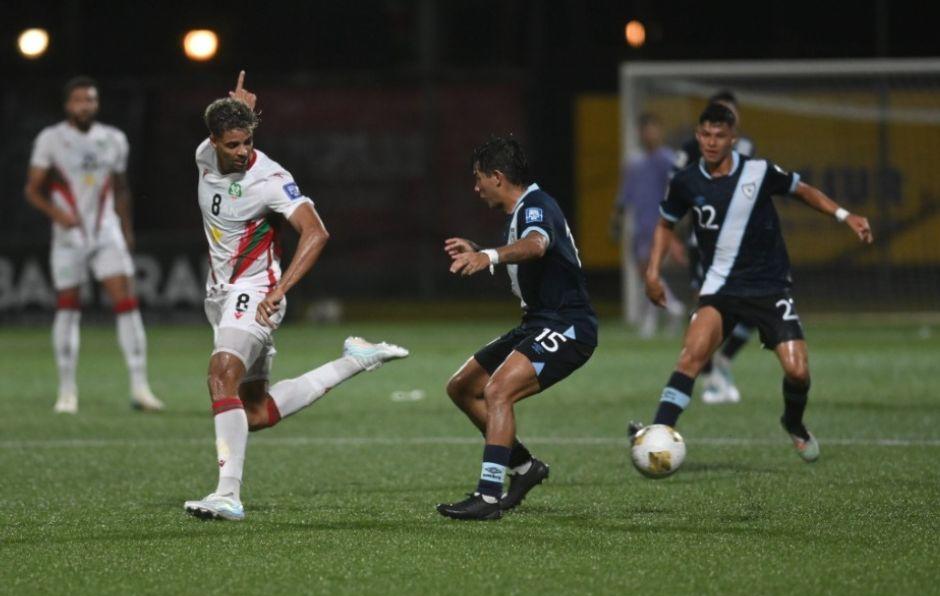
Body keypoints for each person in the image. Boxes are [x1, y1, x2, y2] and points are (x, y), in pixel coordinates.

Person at [184, 72, 408, 521]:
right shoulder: (203, 156)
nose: (243, 151)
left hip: (258, 291)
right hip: (222, 294)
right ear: (214, 141)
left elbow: (316, 232)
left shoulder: (270, 178)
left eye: (247, 142)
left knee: (220, 373)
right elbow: (224, 130)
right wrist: (238, 104)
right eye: (233, 144)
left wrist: (280, 289)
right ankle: (356, 359)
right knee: (256, 413)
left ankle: (227, 494)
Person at [635, 102, 873, 463]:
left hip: (769, 287)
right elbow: (666, 223)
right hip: (720, 289)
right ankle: (657, 435)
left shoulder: (759, 172)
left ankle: (793, 421)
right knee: (690, 358)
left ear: (733, 139)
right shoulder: (686, 182)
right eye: (706, 135)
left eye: (720, 136)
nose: (712, 142)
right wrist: (653, 271)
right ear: (698, 136)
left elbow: (803, 190)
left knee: (797, 370)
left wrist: (845, 215)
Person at [439, 136, 597, 521]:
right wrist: (481, 250)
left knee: (497, 391)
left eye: (478, 179)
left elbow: (537, 246)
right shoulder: (522, 213)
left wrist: (487, 255)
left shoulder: (536, 207)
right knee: (462, 388)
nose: (476, 187)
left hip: (568, 325)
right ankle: (525, 468)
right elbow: (527, 255)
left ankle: (489, 497)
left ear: (497, 177)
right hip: (537, 323)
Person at [24, 76, 164, 414]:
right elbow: (32, 189)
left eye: (90, 100)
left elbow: (121, 189)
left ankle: (140, 387)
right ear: (67, 105)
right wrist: (57, 213)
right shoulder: (51, 139)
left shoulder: (114, 139)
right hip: (69, 237)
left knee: (127, 304)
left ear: (96, 104)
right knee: (69, 306)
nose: (84, 105)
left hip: (106, 233)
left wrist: (127, 232)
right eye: (78, 100)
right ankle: (67, 392)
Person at [675, 90, 756, 404]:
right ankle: (708, 376)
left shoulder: (746, 149)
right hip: (704, 242)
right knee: (705, 310)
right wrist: (671, 236)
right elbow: (676, 190)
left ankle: (723, 360)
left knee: (753, 309)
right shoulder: (690, 151)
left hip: (741, 244)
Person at [613, 112, 686, 338]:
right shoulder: (634, 162)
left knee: (649, 272)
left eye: (653, 128)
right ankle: (667, 310)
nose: (649, 133)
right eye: (645, 129)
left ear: (659, 131)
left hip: (659, 224)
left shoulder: (668, 159)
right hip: (639, 225)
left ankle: (662, 313)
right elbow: (625, 195)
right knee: (644, 272)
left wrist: (675, 226)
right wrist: (616, 220)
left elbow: (679, 191)